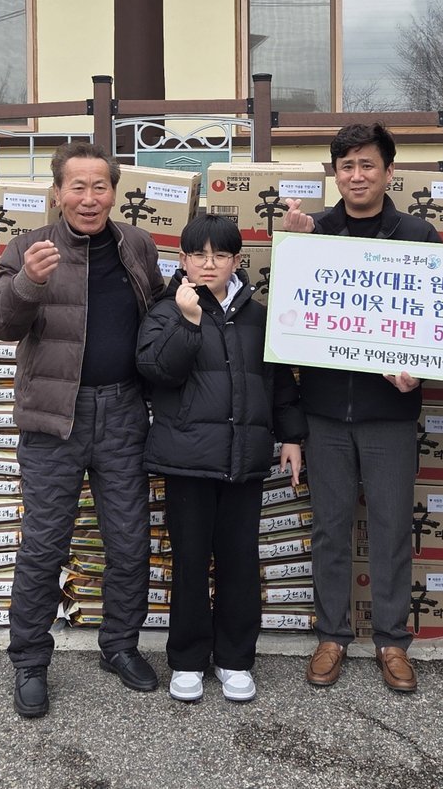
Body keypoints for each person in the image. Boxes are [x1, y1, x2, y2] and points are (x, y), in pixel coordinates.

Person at [0, 141, 166, 718]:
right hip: (53, 418)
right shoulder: (29, 248)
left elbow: (159, 314)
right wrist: (27, 284)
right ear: (57, 192)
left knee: (129, 541)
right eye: (77, 187)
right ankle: (30, 661)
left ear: (114, 192)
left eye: (99, 186)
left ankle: (121, 645)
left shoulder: (137, 245)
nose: (89, 198)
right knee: (44, 545)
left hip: (124, 413)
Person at [283, 122, 442, 693]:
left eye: (367, 164)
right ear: (335, 174)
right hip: (324, 412)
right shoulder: (312, 230)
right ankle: (331, 635)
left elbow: (437, 321)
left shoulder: (418, 235)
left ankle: (392, 641)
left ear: (389, 171)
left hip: (389, 415)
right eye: (346, 166)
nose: (356, 175)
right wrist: (296, 246)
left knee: (392, 528)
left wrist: (421, 367)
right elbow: (290, 323)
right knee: (329, 529)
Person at [136, 214, 306, 703]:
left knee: (239, 560)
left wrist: (292, 436)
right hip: (188, 461)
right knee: (190, 561)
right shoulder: (166, 309)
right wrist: (189, 322)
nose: (209, 264)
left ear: (237, 260)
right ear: (183, 260)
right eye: (198, 255)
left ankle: (235, 659)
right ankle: (188, 660)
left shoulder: (258, 315)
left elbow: (278, 381)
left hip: (243, 458)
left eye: (221, 255)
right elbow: (156, 371)